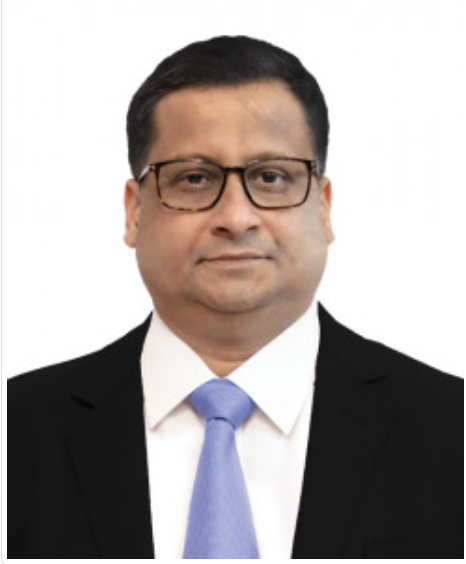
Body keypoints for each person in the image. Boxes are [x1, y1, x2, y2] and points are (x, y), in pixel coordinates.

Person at [8, 35, 463, 559]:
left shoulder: (452, 428)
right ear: (134, 212)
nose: (235, 217)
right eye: (194, 178)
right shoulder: (16, 430)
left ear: (323, 207)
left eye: (271, 177)